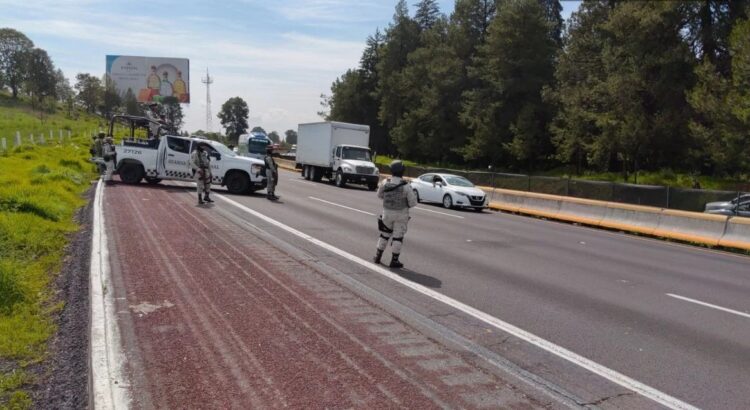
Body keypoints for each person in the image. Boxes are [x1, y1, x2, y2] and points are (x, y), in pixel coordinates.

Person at [374, 160, 417, 268]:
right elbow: (413, 203)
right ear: (402, 171)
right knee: (398, 237)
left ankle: (378, 256)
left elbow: (379, 195)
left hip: (387, 213)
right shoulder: (406, 186)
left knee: (384, 234)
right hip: (401, 214)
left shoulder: (385, 182)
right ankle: (394, 260)